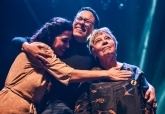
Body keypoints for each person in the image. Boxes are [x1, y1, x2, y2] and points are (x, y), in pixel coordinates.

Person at [12, 7, 156, 114]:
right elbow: (18, 39)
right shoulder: (61, 43)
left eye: (87, 21)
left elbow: (118, 69)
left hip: (75, 106)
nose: (81, 22)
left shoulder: (93, 55)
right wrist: (27, 46)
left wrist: (147, 85)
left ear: (93, 29)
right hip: (51, 105)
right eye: (79, 18)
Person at [74, 27, 156, 114]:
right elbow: (81, 110)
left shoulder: (134, 71)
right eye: (98, 41)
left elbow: (149, 103)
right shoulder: (89, 78)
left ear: (115, 45)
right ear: (93, 52)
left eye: (108, 38)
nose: (105, 42)